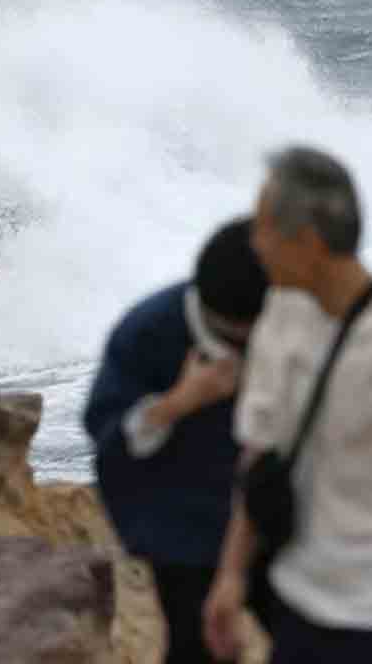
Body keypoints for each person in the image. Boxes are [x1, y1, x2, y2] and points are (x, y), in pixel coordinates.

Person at [202, 147, 372, 664]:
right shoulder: (280, 320)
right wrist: (230, 574)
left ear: (307, 243)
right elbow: (259, 454)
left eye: (264, 229)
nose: (255, 245)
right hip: (301, 608)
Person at [84, 216, 269, 664]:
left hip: (271, 509)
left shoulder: (292, 317)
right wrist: (181, 401)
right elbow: (110, 442)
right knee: (200, 644)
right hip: (178, 519)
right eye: (236, 338)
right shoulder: (147, 331)